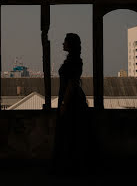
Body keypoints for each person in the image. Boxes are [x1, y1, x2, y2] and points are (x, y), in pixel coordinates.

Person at [52, 33, 88, 174]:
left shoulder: (73, 61)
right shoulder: (75, 60)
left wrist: (64, 104)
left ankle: (67, 167)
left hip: (71, 102)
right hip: (72, 100)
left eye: (65, 41)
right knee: (70, 134)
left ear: (70, 44)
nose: (62, 44)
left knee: (67, 134)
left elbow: (71, 85)